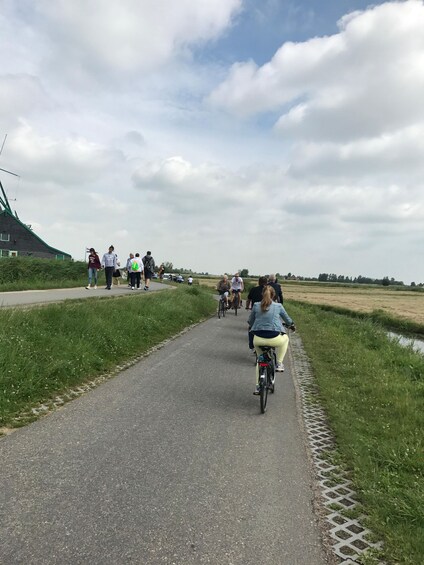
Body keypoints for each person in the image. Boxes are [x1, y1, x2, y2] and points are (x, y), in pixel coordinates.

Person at [248, 285, 295, 395]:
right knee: (286, 339)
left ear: (262, 294)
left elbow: (250, 321)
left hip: (258, 339)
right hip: (274, 338)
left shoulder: (256, 305)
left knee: (260, 361)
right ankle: (279, 363)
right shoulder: (278, 306)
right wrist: (292, 325)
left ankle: (258, 387)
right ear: (274, 295)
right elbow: (287, 320)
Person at [246, 276, 268, 351]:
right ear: (266, 282)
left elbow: (249, 299)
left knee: (251, 327)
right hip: (267, 311)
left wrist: (247, 307)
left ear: (258, 282)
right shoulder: (268, 291)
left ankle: (252, 346)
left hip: (255, 311)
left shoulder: (253, 289)